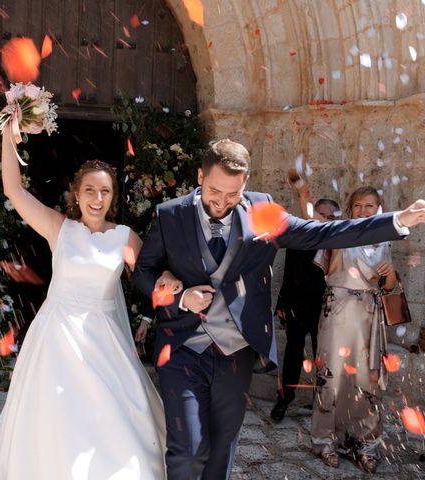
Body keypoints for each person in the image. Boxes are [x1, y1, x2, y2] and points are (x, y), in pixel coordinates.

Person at [133, 139, 425, 480]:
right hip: (182, 346)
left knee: (224, 443)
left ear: (246, 183)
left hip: (236, 349)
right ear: (200, 175)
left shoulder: (262, 211)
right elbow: (144, 271)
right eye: (214, 190)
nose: (222, 202)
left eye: (233, 194)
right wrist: (179, 297)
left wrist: (397, 220)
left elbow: (323, 232)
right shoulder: (171, 214)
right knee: (188, 450)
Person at [0, 125, 173, 478]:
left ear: (113, 197)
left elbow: (150, 279)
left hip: (104, 342)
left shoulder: (125, 237)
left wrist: (168, 285)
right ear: (76, 194)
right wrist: (7, 134)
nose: (97, 198)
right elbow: (13, 189)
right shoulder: (58, 228)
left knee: (113, 415)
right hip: (57, 337)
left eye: (105, 191)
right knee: (57, 414)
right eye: (90, 190)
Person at [310, 186, 396, 473]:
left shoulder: (386, 238)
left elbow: (391, 287)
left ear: (379, 208)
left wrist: (390, 274)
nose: (363, 210)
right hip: (337, 311)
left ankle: (364, 443)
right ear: (350, 209)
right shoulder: (339, 232)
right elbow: (315, 228)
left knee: (365, 381)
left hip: (369, 316)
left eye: (369, 205)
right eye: (357, 205)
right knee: (332, 377)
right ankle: (326, 441)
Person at [270, 178, 340, 422]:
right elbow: (288, 275)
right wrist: (281, 305)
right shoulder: (299, 234)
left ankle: (321, 405)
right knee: (292, 354)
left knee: (324, 358)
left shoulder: (336, 243)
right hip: (296, 306)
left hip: (324, 308)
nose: (325, 220)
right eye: (321, 214)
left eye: (331, 217)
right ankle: (284, 400)